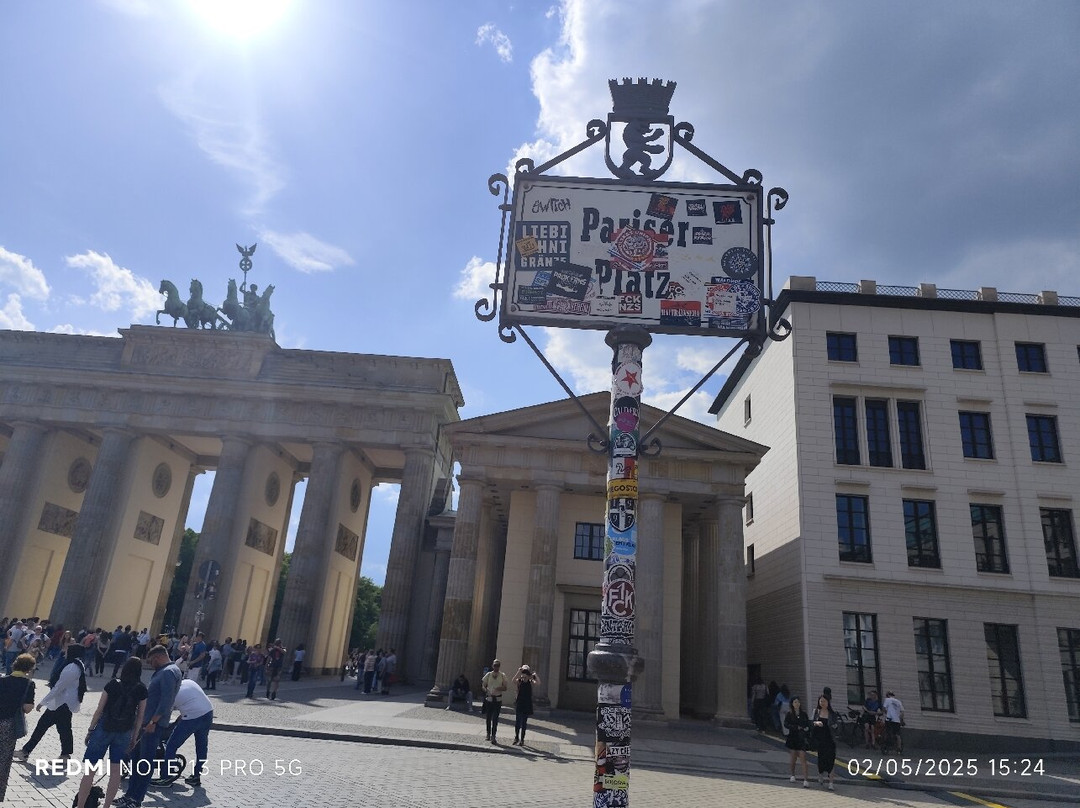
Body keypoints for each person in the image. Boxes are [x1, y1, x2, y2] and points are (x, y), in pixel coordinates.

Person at [73, 656, 147, 808]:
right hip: (124, 732)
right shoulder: (141, 689)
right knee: (115, 773)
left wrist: (90, 730)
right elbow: (140, 717)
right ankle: (107, 805)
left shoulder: (112, 684)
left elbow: (99, 710)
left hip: (103, 729)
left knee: (89, 772)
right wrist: (134, 737)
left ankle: (80, 806)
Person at [114, 645, 181, 808]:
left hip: (152, 726)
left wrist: (153, 721)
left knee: (145, 764)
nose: (150, 664)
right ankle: (129, 795)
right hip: (145, 724)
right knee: (136, 760)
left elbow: (166, 701)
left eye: (151, 661)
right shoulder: (166, 670)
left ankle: (136, 799)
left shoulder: (168, 673)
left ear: (158, 657)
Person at [18, 644, 86, 763]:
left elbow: (59, 687)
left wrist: (43, 702)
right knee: (64, 729)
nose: (64, 651)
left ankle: (25, 751)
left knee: (42, 726)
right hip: (64, 703)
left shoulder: (71, 667)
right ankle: (65, 755)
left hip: (61, 703)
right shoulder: (76, 664)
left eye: (67, 650)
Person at [160, 678, 214, 788]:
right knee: (202, 746)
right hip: (208, 712)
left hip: (192, 718)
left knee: (171, 746)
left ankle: (166, 777)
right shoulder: (189, 682)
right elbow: (191, 701)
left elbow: (163, 715)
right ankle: (196, 776)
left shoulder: (172, 695)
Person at [0, 654, 36, 801]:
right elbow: (27, 708)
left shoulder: (2, 680)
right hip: (10, 725)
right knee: (4, 760)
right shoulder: (28, 684)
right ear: (29, 669)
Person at [810, 694, 840, 790]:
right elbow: (810, 722)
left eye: (824, 701)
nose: (822, 703)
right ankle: (820, 774)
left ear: (828, 702)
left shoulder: (832, 713)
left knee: (831, 760)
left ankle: (831, 783)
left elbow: (836, 726)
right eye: (821, 701)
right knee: (821, 759)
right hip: (820, 740)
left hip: (830, 740)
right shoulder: (816, 712)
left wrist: (834, 726)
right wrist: (816, 723)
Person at [783, 695, 810, 788]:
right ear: (792, 704)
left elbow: (807, 724)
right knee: (793, 757)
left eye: (798, 702)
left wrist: (805, 728)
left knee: (803, 757)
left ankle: (806, 779)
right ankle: (792, 775)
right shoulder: (789, 714)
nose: (797, 704)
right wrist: (794, 727)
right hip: (793, 737)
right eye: (795, 702)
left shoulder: (804, 714)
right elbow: (786, 724)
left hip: (801, 738)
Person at [480, 659, 508, 744]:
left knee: (495, 718)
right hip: (489, 699)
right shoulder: (488, 675)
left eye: (498, 665)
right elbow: (483, 685)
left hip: (497, 699)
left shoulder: (502, 675)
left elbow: (505, 688)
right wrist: (486, 690)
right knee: (488, 717)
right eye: (495, 665)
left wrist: (498, 688)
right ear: (492, 666)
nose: (496, 667)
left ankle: (493, 736)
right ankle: (488, 733)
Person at [512, 664, 539, 746]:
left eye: (526, 672)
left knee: (524, 723)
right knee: (517, 722)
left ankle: (522, 740)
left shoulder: (530, 681)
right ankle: (516, 737)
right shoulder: (519, 680)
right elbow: (513, 680)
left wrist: (535, 675)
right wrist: (518, 671)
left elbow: (538, 683)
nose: (524, 674)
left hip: (527, 704)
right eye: (523, 671)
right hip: (519, 703)